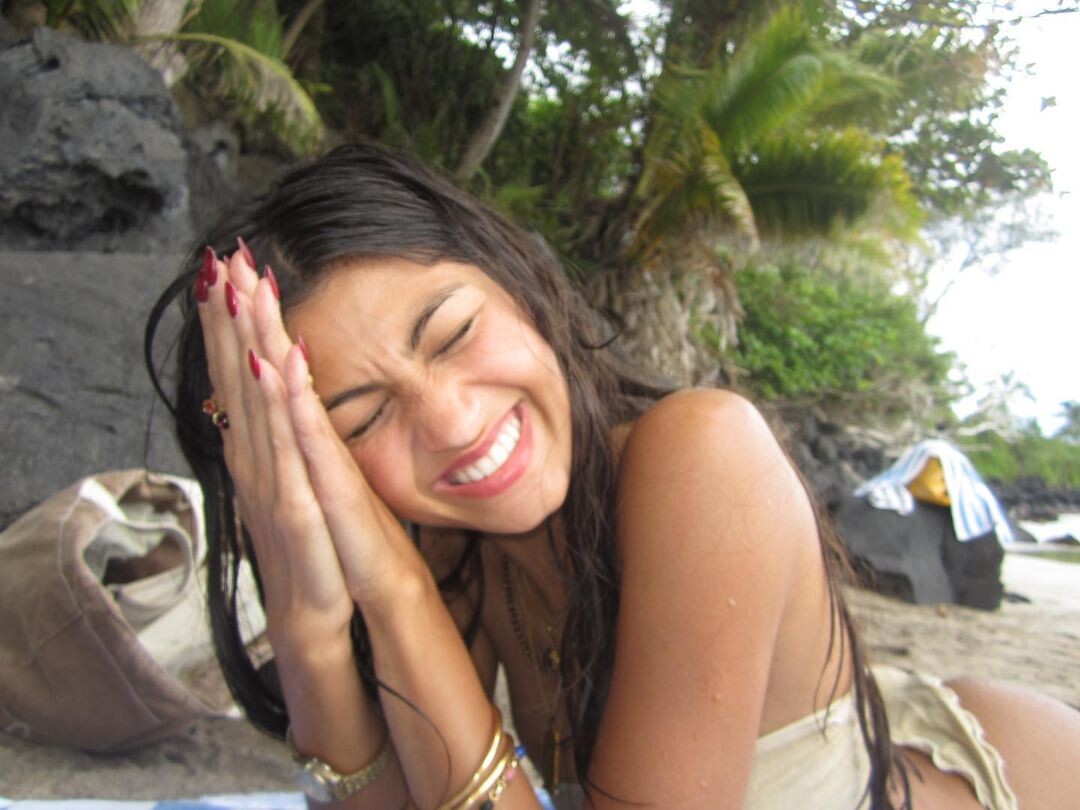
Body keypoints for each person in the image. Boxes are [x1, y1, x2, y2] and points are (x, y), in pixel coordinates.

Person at [146, 143, 1080, 809]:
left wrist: (396, 595)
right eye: (362, 419)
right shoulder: (452, 556)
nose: (455, 422)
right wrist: (311, 628)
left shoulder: (704, 454)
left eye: (455, 334)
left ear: (517, 278)